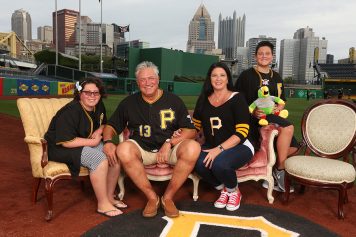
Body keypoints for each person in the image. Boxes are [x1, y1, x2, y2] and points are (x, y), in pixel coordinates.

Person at [103, 61, 200, 218]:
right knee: (123, 149)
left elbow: (191, 130)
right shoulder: (129, 103)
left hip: (169, 150)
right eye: (142, 79)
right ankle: (152, 198)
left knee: (193, 148)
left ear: (158, 79)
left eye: (151, 78)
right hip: (142, 150)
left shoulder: (173, 100)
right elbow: (111, 126)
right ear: (137, 82)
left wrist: (169, 143)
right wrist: (107, 142)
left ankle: (168, 198)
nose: (147, 83)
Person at [44, 77, 126, 218]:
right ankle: (102, 204)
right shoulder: (71, 111)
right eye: (88, 92)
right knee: (98, 159)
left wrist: (99, 131)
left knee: (113, 154)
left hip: (82, 142)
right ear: (80, 93)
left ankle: (109, 196)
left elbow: (104, 123)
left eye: (96, 92)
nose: (92, 96)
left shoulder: (98, 105)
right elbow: (66, 142)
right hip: (60, 148)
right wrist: (93, 143)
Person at [234, 41, 299, 192]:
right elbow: (237, 101)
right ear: (255, 56)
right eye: (260, 53)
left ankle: (272, 171)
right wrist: (252, 111)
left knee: (295, 147)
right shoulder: (246, 75)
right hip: (254, 119)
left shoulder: (276, 77)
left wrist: (279, 107)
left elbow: (282, 100)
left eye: (267, 53)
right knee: (288, 127)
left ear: (272, 56)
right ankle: (281, 171)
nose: (264, 56)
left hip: (272, 116)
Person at [192, 62, 254, 211]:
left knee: (220, 163)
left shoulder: (238, 98)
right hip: (212, 145)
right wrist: (179, 133)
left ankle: (234, 191)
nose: (218, 79)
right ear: (209, 79)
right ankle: (225, 189)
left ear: (227, 79)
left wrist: (218, 149)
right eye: (214, 75)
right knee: (197, 162)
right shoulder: (203, 99)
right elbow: (194, 127)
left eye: (222, 75)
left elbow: (242, 133)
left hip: (240, 145)